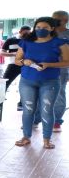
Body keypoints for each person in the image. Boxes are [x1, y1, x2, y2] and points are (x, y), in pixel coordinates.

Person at [14, 17, 69, 149]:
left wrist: (49, 64)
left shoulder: (60, 43)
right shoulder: (26, 42)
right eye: (38, 28)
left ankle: (47, 139)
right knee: (28, 110)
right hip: (27, 80)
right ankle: (26, 137)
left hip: (50, 82)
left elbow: (67, 62)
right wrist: (23, 62)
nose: (40, 30)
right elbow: (17, 60)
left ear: (52, 28)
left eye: (44, 28)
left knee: (47, 110)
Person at [0, 25, 30, 111]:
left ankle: (21, 104)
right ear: (20, 31)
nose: (26, 35)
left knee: (25, 85)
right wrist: (14, 54)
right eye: (25, 33)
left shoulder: (30, 41)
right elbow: (2, 53)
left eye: (28, 33)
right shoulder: (10, 40)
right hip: (13, 64)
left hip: (26, 65)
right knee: (5, 83)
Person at [51, 10, 69, 131]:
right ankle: (36, 119)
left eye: (58, 19)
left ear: (65, 20)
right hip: (44, 67)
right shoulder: (47, 33)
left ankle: (56, 121)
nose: (55, 21)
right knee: (39, 92)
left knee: (59, 94)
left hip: (62, 69)